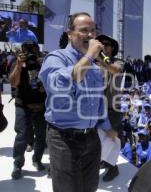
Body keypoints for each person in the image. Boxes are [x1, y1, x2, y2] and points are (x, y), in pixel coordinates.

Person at [38, 12, 114, 192]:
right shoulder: (56, 58)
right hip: (64, 139)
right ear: (69, 33)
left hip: (91, 137)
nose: (90, 35)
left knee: (89, 187)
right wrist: (89, 56)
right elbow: (60, 86)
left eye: (93, 31)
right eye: (84, 30)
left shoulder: (95, 66)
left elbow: (98, 99)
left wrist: (106, 124)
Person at [9, 40, 47, 179]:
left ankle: (37, 159)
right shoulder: (17, 62)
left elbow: (52, 83)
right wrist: (19, 65)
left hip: (41, 106)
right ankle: (17, 165)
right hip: (23, 105)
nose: (30, 54)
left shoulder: (44, 64)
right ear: (22, 52)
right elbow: (13, 83)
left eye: (33, 50)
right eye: (27, 51)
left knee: (42, 136)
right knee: (22, 136)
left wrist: (45, 86)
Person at [95, 34, 124, 182]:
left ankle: (113, 168)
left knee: (110, 139)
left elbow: (115, 70)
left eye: (107, 44)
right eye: (101, 44)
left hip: (112, 109)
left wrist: (100, 58)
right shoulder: (92, 62)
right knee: (96, 139)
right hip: (95, 108)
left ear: (112, 48)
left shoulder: (118, 62)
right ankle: (103, 161)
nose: (103, 46)